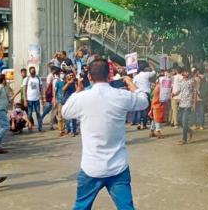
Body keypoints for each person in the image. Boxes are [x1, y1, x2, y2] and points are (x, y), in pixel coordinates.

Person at [62, 59, 148, 210]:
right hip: (118, 167)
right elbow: (143, 101)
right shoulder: (121, 96)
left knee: (81, 207)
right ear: (109, 75)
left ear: (89, 77)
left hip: (91, 168)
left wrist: (77, 91)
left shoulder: (82, 98)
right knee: (127, 207)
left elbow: (65, 112)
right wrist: (130, 83)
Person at [173, 68, 194, 145]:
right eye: (185, 72)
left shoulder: (191, 81)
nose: (187, 73)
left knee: (184, 122)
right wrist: (174, 94)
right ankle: (189, 131)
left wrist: (193, 103)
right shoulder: (181, 81)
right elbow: (179, 90)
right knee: (180, 121)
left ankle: (184, 139)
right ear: (182, 73)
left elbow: (194, 92)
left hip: (188, 104)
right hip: (181, 103)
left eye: (188, 72)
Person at [133, 65, 156, 130]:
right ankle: (145, 124)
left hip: (138, 94)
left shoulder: (136, 76)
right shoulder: (146, 74)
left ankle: (139, 123)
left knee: (139, 109)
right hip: (146, 93)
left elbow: (133, 84)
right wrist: (152, 67)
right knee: (146, 109)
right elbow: (154, 72)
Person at [23, 66, 44, 132]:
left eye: (34, 71)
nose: (33, 72)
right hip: (29, 100)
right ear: (30, 72)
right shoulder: (26, 79)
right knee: (29, 114)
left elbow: (41, 88)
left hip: (37, 99)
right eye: (32, 71)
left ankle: (40, 128)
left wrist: (42, 98)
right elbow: (24, 90)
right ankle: (30, 127)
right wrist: (25, 100)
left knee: (38, 113)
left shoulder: (38, 78)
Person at [0, 74, 12, 154]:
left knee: (0, 128)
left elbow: (6, 99)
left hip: (1, 110)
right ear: (3, 80)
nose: (6, 81)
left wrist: (10, 99)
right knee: (6, 126)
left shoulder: (2, 88)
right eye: (5, 79)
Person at [62, 72, 78, 137]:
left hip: (73, 101)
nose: (71, 76)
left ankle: (73, 131)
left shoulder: (75, 82)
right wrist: (69, 83)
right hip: (66, 101)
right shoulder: (66, 82)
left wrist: (75, 83)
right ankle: (67, 129)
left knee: (73, 117)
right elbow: (63, 89)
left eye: (72, 75)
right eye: (70, 75)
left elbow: (77, 90)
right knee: (67, 116)